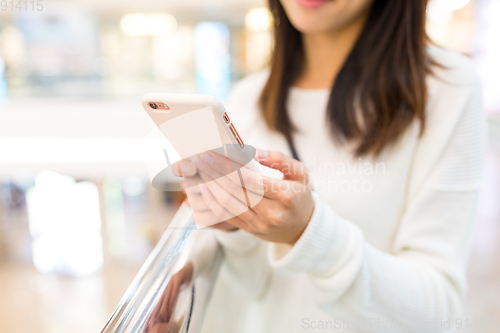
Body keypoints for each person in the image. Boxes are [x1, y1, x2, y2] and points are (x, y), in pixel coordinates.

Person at [174, 0, 486, 332]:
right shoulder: (247, 98)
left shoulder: (446, 89)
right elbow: (255, 291)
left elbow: (436, 313)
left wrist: (310, 233)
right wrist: (235, 227)